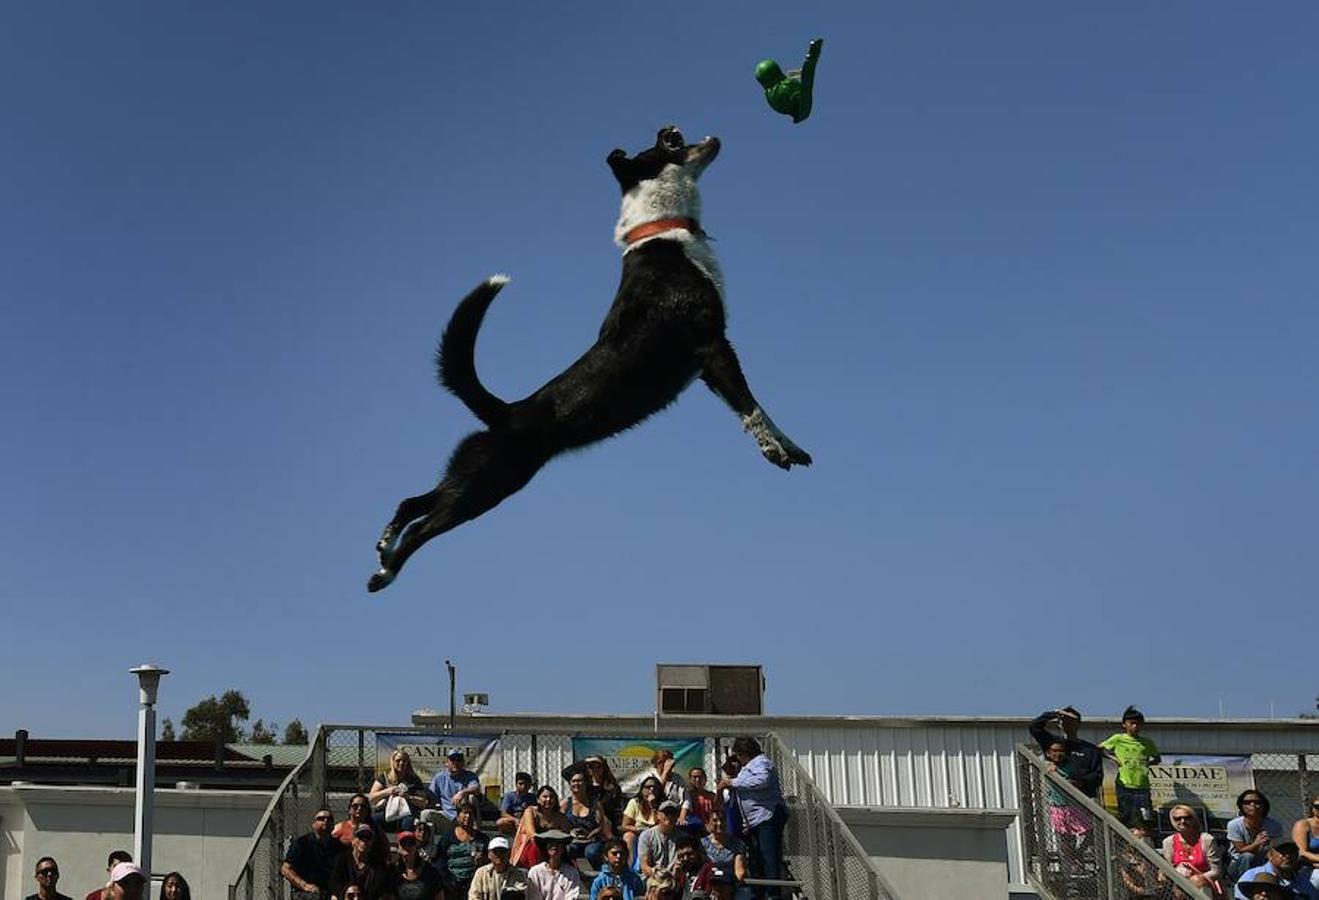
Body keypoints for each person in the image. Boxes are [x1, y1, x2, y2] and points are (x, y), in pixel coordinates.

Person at [716, 737, 788, 899]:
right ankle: (759, 892)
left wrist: (732, 782)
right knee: (756, 858)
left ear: (745, 753)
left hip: (767, 817)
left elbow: (762, 780)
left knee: (769, 856)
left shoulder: (761, 763)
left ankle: (773, 894)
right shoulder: (745, 769)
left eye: (738, 756)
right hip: (753, 821)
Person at [1100, 707, 1161, 826]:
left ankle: (1145, 841)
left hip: (1142, 785)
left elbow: (1157, 758)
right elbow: (1099, 749)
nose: (1135, 726)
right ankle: (1124, 842)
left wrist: (1145, 764)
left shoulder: (1147, 743)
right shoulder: (1118, 738)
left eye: (1138, 724)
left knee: (1146, 817)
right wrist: (1113, 758)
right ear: (1124, 725)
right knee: (1126, 816)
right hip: (1124, 784)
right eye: (1132, 723)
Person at [1028, 706, 1104, 799]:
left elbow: (1098, 776)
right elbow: (1034, 727)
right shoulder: (1054, 743)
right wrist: (1054, 713)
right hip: (1058, 798)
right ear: (1059, 724)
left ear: (1078, 724)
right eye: (1063, 719)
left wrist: (1079, 781)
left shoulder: (1090, 749)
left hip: (1084, 800)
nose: (1067, 722)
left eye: (1071, 720)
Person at [1227, 790, 1289, 883]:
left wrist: (1270, 845)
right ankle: (1244, 884)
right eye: (1247, 802)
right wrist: (1256, 843)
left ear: (1264, 806)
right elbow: (1240, 850)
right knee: (1248, 856)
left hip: (1264, 861)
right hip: (1238, 865)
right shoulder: (1234, 824)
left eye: (1257, 802)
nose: (1252, 805)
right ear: (1241, 806)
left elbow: (1277, 850)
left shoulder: (1274, 825)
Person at [283, 807, 345, 900]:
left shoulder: (339, 847)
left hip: (331, 893)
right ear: (314, 824)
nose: (326, 821)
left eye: (329, 819)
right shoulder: (302, 843)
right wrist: (305, 886)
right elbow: (285, 869)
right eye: (321, 819)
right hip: (305, 893)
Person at [1161, 805, 1223, 897]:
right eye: (1178, 818)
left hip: (1206, 884)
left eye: (1187, 818)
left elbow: (1216, 870)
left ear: (1194, 819)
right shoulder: (1168, 842)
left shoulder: (1207, 839)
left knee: (1196, 881)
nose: (1183, 821)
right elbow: (1169, 868)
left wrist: (1194, 879)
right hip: (1179, 883)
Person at [435, 800, 489, 898]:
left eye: (471, 813)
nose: (467, 816)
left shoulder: (483, 839)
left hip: (475, 882)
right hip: (451, 883)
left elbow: (489, 861)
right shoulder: (447, 837)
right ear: (458, 815)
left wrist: (482, 861)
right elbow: (440, 860)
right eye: (464, 812)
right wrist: (448, 880)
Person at [329, 823, 396, 900]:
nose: (364, 841)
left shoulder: (378, 863)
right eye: (360, 837)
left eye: (368, 837)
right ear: (353, 840)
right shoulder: (342, 859)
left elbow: (381, 888)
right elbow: (335, 882)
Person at [564, 767, 614, 869]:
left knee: (592, 852)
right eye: (574, 781)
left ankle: (599, 874)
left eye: (580, 781)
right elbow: (559, 823)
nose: (576, 784)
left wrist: (591, 834)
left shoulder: (595, 804)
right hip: (573, 840)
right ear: (569, 784)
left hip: (592, 839)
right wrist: (570, 833)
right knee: (569, 849)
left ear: (586, 783)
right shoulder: (565, 804)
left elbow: (601, 825)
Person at [514, 786, 573, 869]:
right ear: (538, 799)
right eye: (545, 797)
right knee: (534, 845)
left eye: (551, 797)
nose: (548, 799)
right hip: (533, 848)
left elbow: (566, 835)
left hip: (552, 849)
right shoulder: (530, 811)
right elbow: (531, 834)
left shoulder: (560, 817)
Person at [370, 749, 429, 833]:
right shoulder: (384, 777)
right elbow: (371, 798)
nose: (401, 763)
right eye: (398, 760)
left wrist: (408, 797)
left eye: (404, 761)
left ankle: (407, 845)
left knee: (408, 824)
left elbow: (423, 802)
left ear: (408, 763)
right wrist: (387, 791)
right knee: (372, 820)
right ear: (393, 762)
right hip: (387, 813)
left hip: (407, 814)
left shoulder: (414, 779)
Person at [1233, 842, 1315, 900]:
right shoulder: (1252, 876)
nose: (1287, 856)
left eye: (1292, 852)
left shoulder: (1304, 881)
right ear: (1269, 855)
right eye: (1282, 852)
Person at [700, 811, 750, 900]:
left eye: (722, 820)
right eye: (715, 820)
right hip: (709, 884)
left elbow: (739, 871)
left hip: (730, 883)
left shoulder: (738, 844)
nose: (719, 823)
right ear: (707, 823)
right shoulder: (702, 844)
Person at [469, 835, 530, 899]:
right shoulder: (481, 873)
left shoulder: (518, 874)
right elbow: (474, 896)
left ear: (509, 853)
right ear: (489, 854)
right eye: (495, 851)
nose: (499, 855)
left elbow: (520, 894)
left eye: (502, 851)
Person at [430, 751, 485, 821]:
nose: (456, 762)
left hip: (466, 817)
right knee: (426, 814)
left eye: (459, 760)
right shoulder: (439, 777)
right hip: (446, 815)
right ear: (447, 763)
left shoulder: (470, 776)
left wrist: (462, 793)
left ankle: (474, 829)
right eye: (453, 759)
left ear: (463, 763)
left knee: (471, 798)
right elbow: (431, 796)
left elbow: (476, 788)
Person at [525, 830, 581, 900]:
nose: (555, 846)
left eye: (558, 843)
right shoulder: (535, 872)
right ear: (546, 847)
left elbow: (572, 896)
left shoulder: (572, 873)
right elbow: (533, 896)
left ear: (563, 848)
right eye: (551, 842)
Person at [638, 802, 684, 880]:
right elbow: (645, 867)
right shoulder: (646, 836)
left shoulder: (683, 837)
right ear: (658, 815)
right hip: (653, 878)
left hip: (675, 879)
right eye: (666, 813)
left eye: (672, 813)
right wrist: (659, 875)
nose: (669, 816)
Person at [622, 778, 664, 863]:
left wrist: (653, 806)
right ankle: (630, 865)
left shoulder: (663, 804)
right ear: (642, 790)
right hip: (638, 834)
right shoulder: (634, 803)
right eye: (648, 787)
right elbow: (624, 825)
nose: (651, 790)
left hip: (656, 836)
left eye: (654, 787)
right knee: (628, 836)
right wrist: (640, 829)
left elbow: (661, 823)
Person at [393, 830, 443, 900]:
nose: (407, 847)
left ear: (416, 846)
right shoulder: (393, 872)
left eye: (410, 843)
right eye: (403, 843)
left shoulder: (431, 872)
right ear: (398, 848)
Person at [1119, 819, 1159, 899]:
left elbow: (1161, 871)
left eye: (1144, 837)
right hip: (1136, 893)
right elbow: (1126, 879)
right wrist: (1139, 890)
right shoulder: (1125, 857)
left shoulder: (1155, 855)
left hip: (1155, 889)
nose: (1142, 841)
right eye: (1139, 838)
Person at [585, 758, 626, 831]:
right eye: (591, 767)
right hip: (588, 821)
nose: (595, 769)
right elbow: (566, 772)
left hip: (608, 822)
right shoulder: (585, 786)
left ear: (604, 768)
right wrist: (585, 761)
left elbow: (616, 809)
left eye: (598, 767)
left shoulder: (612, 787)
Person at [1290, 795, 1319, 890]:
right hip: (1307, 867)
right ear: (1312, 809)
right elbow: (1301, 853)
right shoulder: (1303, 825)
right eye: (1317, 806)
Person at [679, 768, 720, 833]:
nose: (697, 780)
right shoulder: (686, 796)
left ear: (705, 779)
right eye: (694, 777)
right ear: (689, 779)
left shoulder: (711, 796)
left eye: (700, 777)